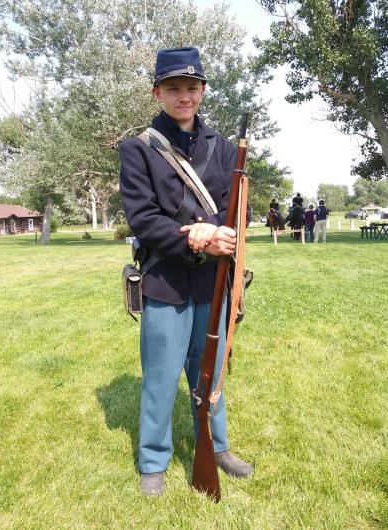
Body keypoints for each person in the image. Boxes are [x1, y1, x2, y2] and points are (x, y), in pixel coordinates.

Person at [119, 47, 253, 496]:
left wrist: (215, 234)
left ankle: (216, 448)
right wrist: (195, 238)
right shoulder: (138, 149)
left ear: (202, 91)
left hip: (213, 279)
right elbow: (144, 218)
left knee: (210, 371)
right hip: (166, 279)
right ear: (158, 92)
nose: (184, 96)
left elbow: (233, 207)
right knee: (161, 374)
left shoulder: (219, 147)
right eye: (174, 88)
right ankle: (154, 461)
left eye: (192, 88)